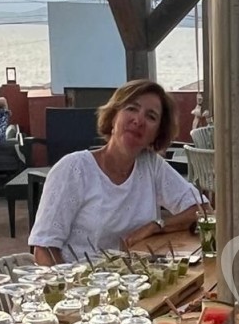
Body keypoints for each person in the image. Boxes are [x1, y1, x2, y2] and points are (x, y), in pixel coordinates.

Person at [29, 79, 202, 263]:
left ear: (157, 134)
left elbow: (201, 210)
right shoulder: (74, 169)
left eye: (151, 116)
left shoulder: (151, 166)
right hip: (82, 284)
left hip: (136, 281)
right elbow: (44, 248)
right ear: (113, 117)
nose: (139, 120)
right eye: (131, 109)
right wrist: (69, 288)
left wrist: (157, 225)